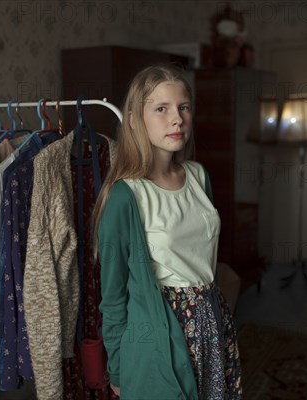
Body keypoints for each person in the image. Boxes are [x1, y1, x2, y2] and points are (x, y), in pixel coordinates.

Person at [92, 64, 242, 399]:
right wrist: (117, 368)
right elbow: (114, 297)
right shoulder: (125, 196)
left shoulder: (199, 176)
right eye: (162, 109)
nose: (177, 119)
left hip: (211, 322)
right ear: (133, 119)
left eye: (183, 107)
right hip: (160, 331)